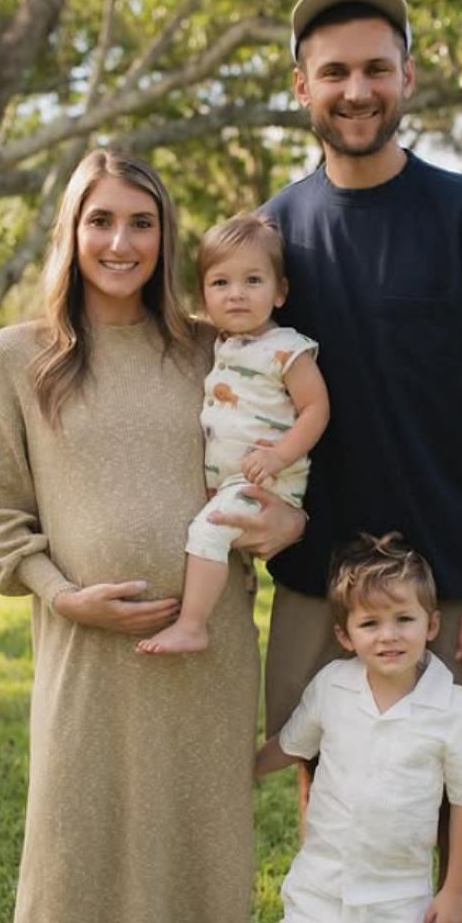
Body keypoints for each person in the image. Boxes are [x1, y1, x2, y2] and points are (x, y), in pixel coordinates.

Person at [243, 0, 462, 923]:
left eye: (377, 67)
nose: (358, 88)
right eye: (335, 72)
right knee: (327, 807)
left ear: (409, 75)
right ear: (302, 86)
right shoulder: (273, 238)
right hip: (311, 592)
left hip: (453, 589)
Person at [0, 149, 258, 923]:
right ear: (71, 231)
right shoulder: (19, 357)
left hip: (208, 652)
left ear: (166, 235)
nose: (121, 241)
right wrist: (64, 597)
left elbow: (277, 465)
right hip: (86, 655)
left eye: (142, 221)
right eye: (102, 220)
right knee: (72, 854)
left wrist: (276, 525)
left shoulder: (216, 349)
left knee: (207, 852)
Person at [254, 534, 462, 923]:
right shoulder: (331, 687)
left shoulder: (453, 711)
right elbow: (291, 746)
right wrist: (235, 770)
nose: (388, 636)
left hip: (398, 906)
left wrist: (453, 892)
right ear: (345, 636)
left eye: (403, 620)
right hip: (322, 890)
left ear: (431, 626)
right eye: (370, 623)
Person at [138, 214, 328, 655]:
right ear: (203, 294)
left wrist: (280, 456)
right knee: (214, 533)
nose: (236, 294)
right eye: (220, 283)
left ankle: (192, 624)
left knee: (209, 531)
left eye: (253, 280)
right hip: (233, 481)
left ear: (280, 291)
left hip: (268, 479)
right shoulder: (221, 344)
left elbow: (316, 409)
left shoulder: (288, 348)